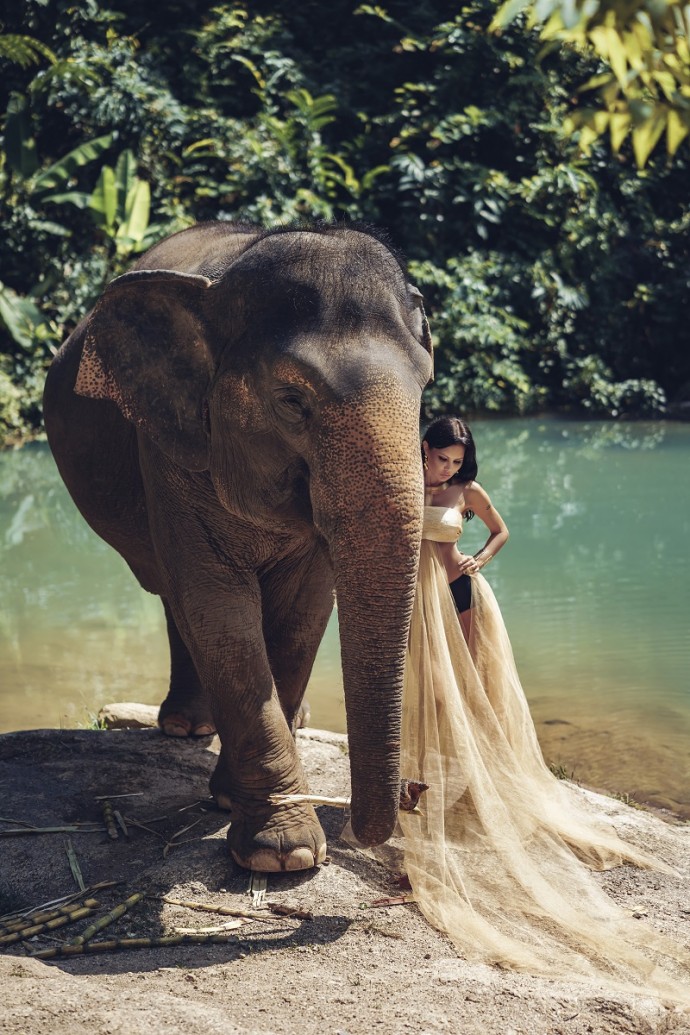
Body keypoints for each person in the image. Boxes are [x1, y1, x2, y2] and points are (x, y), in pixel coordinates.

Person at [399, 416, 690, 1002]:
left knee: (471, 691)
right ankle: (421, 785)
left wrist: (480, 556)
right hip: (416, 602)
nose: (448, 468)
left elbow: (503, 532)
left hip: (460, 596)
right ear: (425, 447)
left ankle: (480, 789)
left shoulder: (466, 494)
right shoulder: (405, 480)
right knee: (428, 694)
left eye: (457, 461)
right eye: (442, 458)